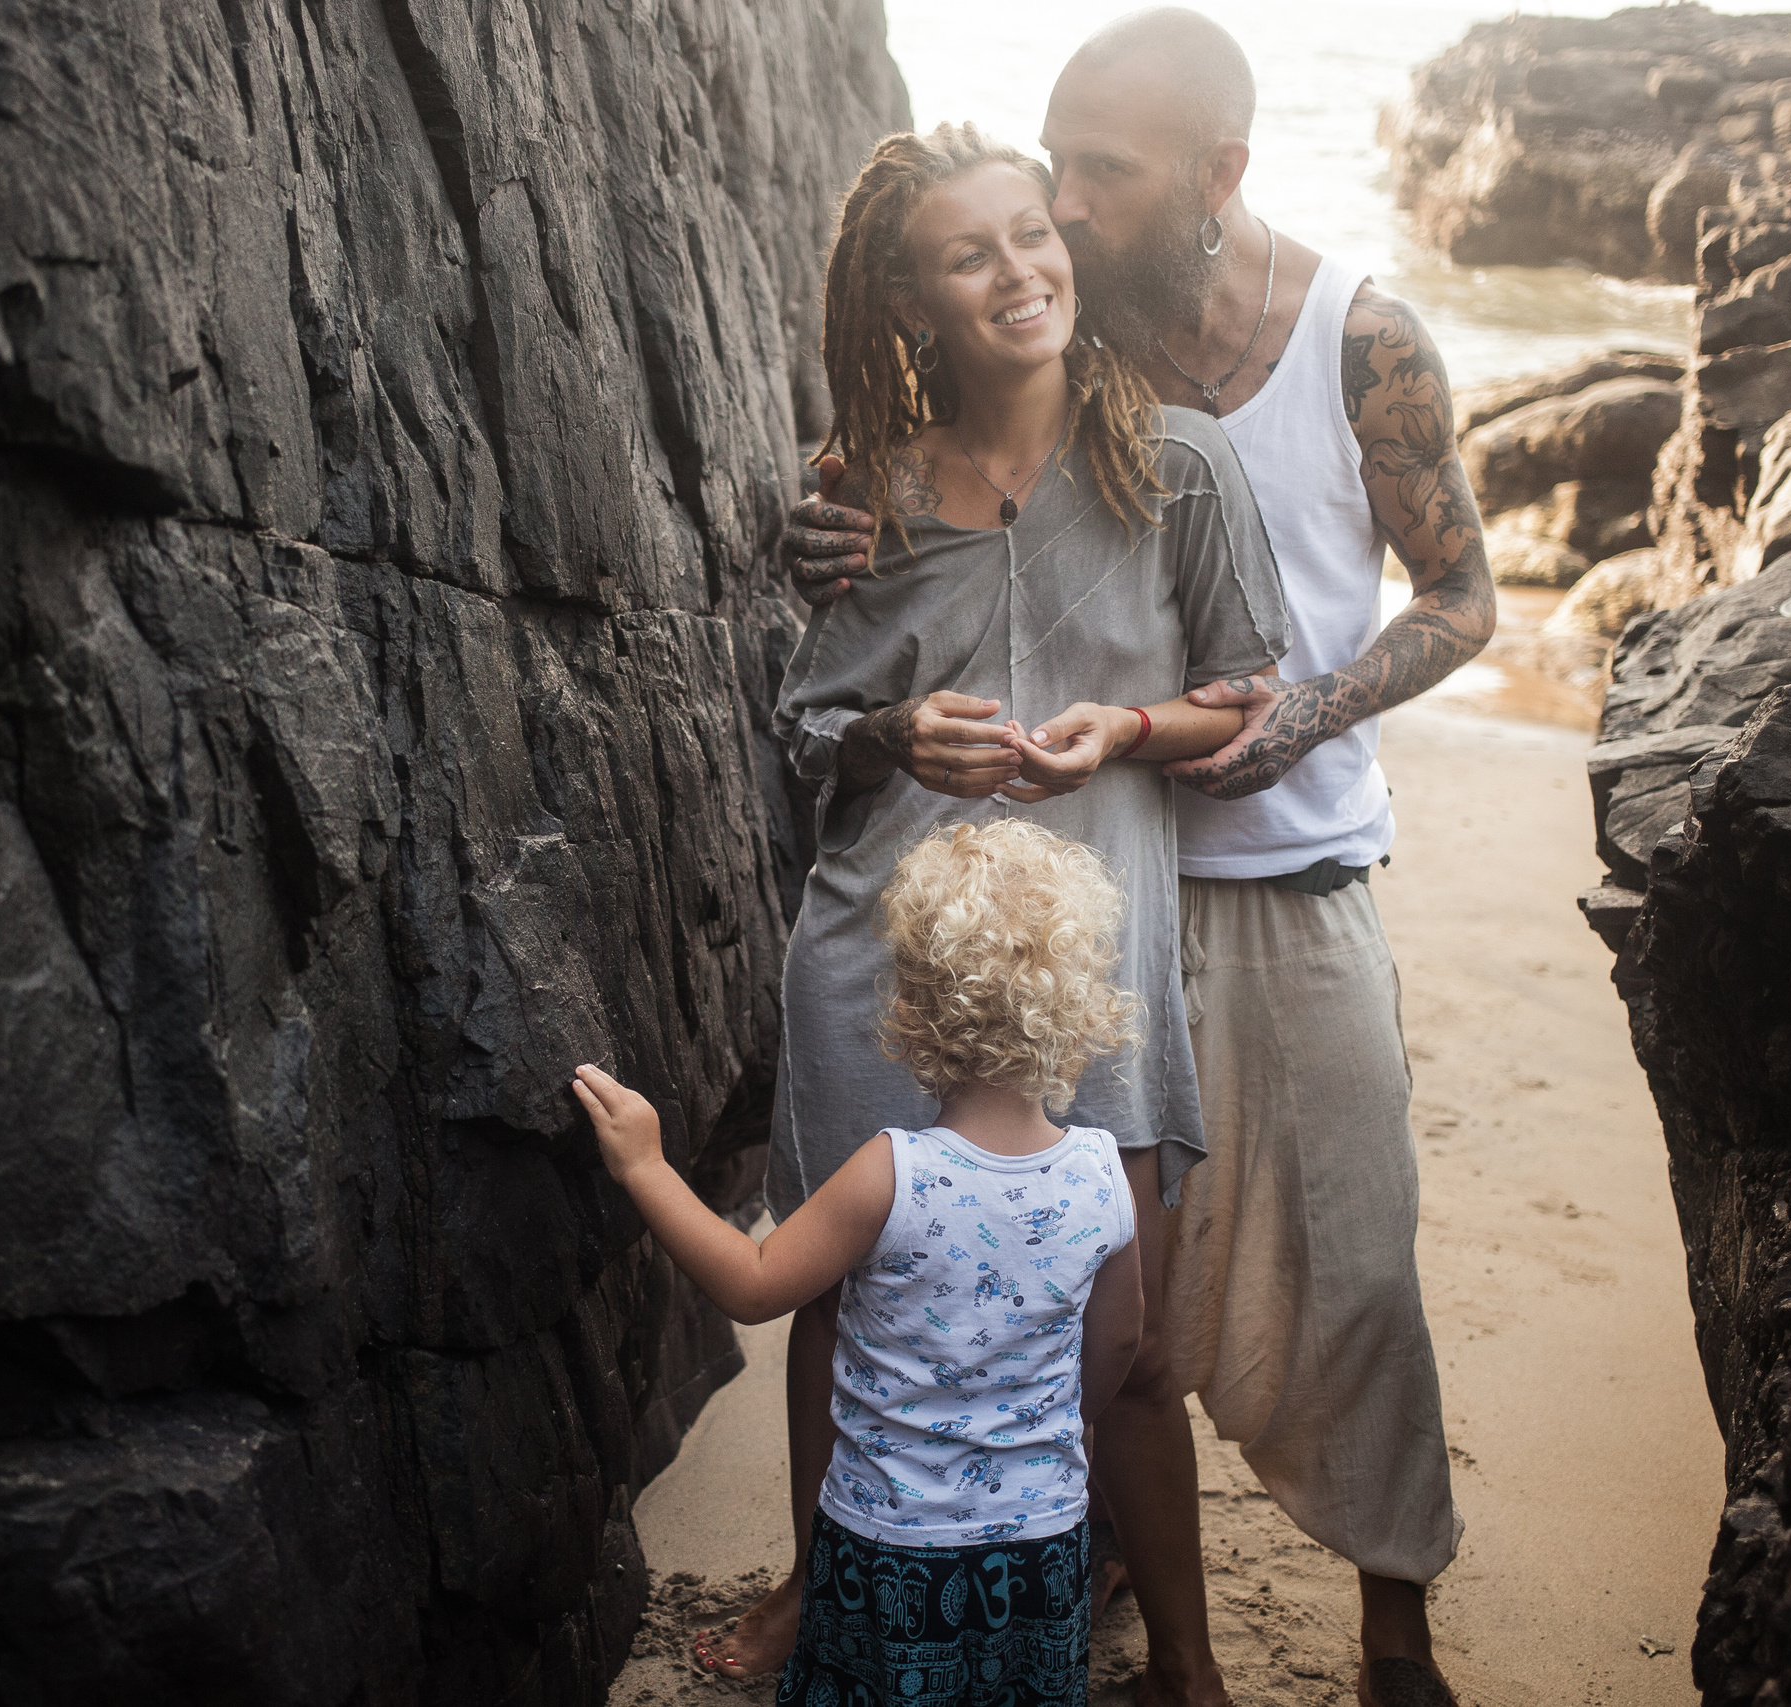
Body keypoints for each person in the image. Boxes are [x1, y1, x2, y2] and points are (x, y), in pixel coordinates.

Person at [780, 14, 1497, 1707]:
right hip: (1068, 891)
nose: (1069, 212)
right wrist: (837, 531)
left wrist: (1282, 718)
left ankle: (1390, 1618)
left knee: (1345, 1259)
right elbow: (923, 435)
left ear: (1220, 176)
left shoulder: (1352, 339)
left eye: (1099, 176)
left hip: (1284, 863)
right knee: (1063, 1294)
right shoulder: (1053, 322)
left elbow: (1456, 600)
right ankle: (1070, 1562)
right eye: (1057, 165)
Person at [707, 115, 1292, 1687]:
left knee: (1132, 1343)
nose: (1018, 269)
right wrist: (897, 731)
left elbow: (1247, 690)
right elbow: (805, 727)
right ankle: (822, 1589)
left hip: (1080, 968)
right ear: (912, 302)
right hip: (882, 951)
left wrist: (1131, 730)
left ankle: (1187, 1654)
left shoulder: (1178, 459)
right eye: (969, 255)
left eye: (1030, 232)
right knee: (841, 1296)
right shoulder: (867, 491)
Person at [572, 819, 1148, 1707]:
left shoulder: (893, 1171)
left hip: (889, 1546)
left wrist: (646, 1166)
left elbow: (755, 1283)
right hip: (1042, 1541)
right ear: (1081, 1005)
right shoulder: (1103, 1175)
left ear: (912, 1012)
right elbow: (1113, 1350)